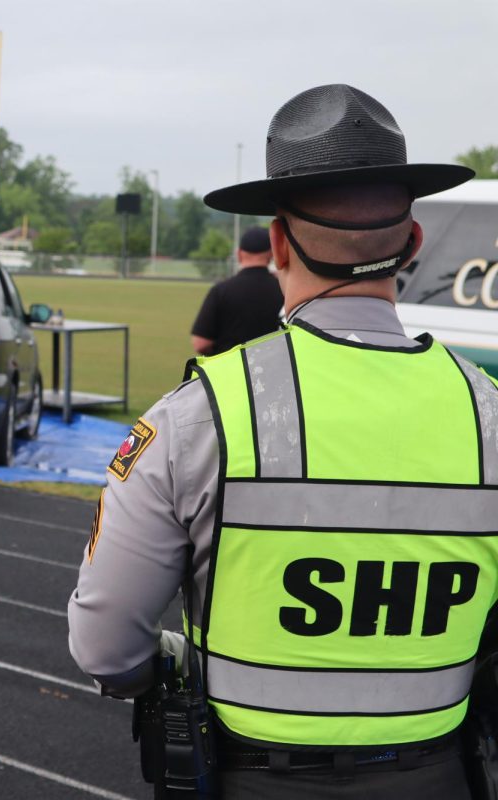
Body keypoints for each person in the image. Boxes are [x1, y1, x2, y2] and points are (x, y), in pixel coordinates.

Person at [68, 84, 497, 798]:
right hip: (442, 777)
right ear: (413, 243)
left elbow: (105, 647)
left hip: (254, 780)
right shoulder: (489, 414)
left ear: (274, 243)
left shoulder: (200, 413)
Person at [190, 226, 283, 355]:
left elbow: (201, 343)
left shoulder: (220, 290)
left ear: (239, 254)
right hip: (272, 368)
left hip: (228, 370)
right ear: (272, 254)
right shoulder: (283, 290)